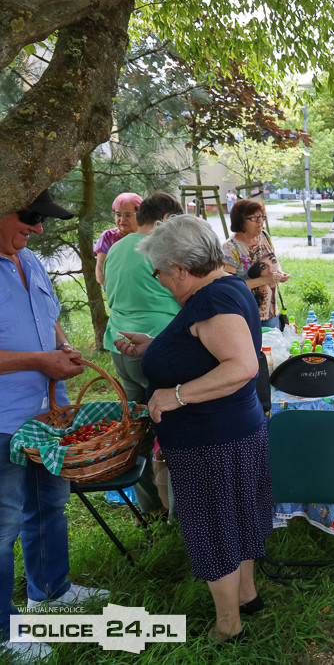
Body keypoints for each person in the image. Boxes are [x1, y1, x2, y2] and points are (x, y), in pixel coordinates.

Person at [116, 214, 272, 643]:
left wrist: (175, 395)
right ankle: (247, 595)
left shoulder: (211, 301)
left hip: (210, 440)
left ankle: (228, 626)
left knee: (213, 525)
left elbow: (240, 365)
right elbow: (209, 347)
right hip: (233, 431)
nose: (160, 280)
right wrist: (158, 348)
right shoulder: (227, 284)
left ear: (182, 270)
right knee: (239, 517)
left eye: (161, 272)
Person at [1, 189, 109, 664]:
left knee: (49, 503)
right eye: (28, 217)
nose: (38, 228)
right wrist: (37, 359)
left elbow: (51, 322)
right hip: (4, 421)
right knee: (2, 525)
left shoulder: (29, 260)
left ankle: (50, 592)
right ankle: (6, 631)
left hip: (50, 414)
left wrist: (63, 350)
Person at [103, 191, 184, 519]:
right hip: (156, 348)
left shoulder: (117, 247)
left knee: (138, 432)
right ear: (165, 220)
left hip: (119, 347)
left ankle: (149, 508)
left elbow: (110, 292)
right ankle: (180, 514)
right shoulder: (161, 250)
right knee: (176, 432)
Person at [222, 198, 290, 330]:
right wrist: (265, 280)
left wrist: (280, 274)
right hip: (248, 316)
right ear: (240, 221)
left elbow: (274, 260)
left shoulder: (264, 236)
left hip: (271, 312)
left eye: (261, 217)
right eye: (254, 218)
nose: (260, 222)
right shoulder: (231, 248)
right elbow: (230, 286)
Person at [94, 192, 142, 286]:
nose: (122, 220)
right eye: (118, 215)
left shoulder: (148, 235)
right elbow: (100, 276)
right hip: (118, 293)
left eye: (127, 215)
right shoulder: (109, 237)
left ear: (140, 215)